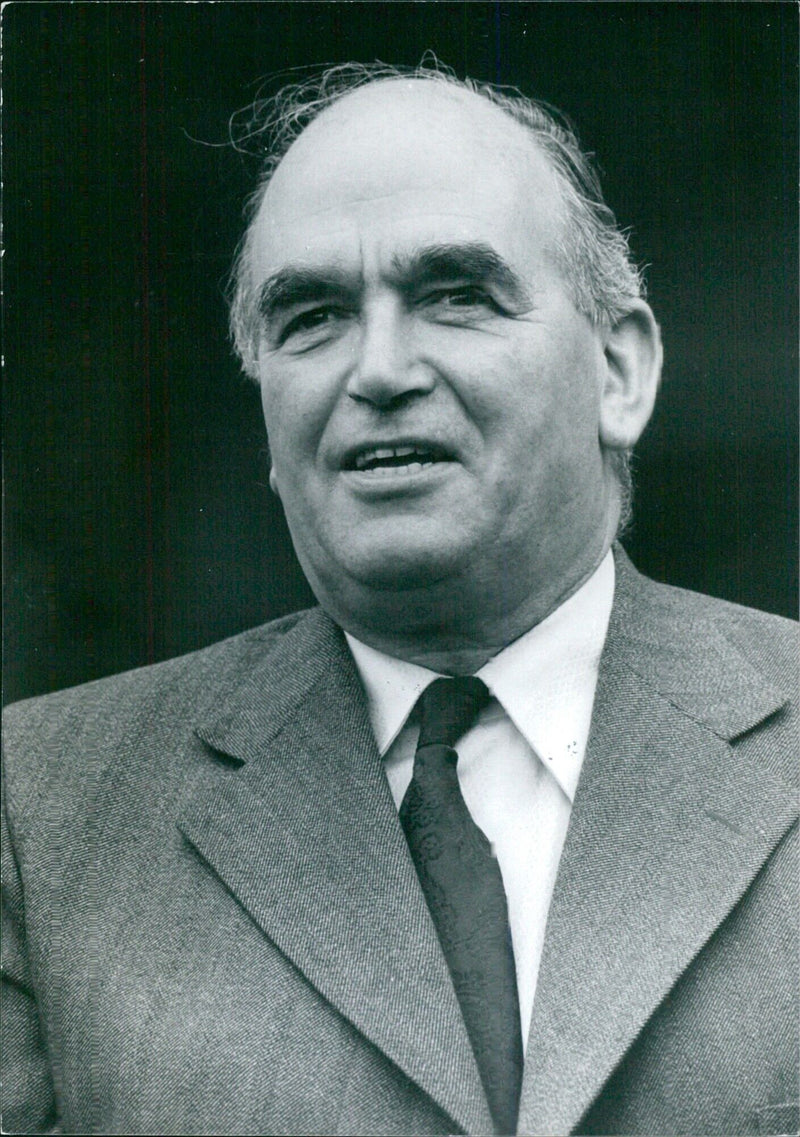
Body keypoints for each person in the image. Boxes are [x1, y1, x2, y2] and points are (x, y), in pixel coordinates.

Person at [2, 61, 797, 1137]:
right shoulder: (41, 815)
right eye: (313, 316)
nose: (377, 368)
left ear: (618, 373)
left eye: (455, 296)